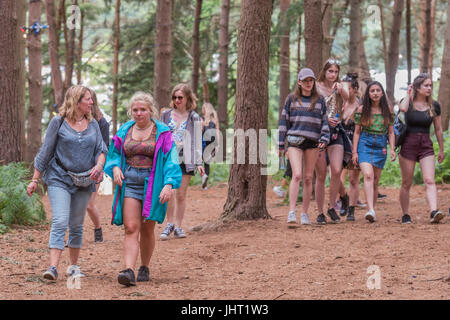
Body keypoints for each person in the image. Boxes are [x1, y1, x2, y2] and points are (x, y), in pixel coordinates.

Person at [27, 85, 107, 280]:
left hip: (85, 179)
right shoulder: (58, 122)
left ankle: (73, 266)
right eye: (87, 99)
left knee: (77, 224)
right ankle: (52, 267)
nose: (91, 102)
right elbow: (45, 151)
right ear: (76, 101)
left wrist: (99, 165)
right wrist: (35, 179)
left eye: (91, 99)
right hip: (59, 177)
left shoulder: (93, 124)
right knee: (60, 220)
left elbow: (101, 149)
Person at [104, 92, 182, 287]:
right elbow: (113, 153)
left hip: (153, 183)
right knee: (131, 228)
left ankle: (144, 266)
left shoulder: (162, 133)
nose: (138, 113)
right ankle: (128, 270)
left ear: (150, 111)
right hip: (129, 181)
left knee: (147, 229)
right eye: (135, 110)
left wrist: (169, 184)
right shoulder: (124, 130)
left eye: (143, 110)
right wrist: (114, 167)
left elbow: (171, 160)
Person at [279, 68, 330, 226]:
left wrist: (324, 138)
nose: (309, 83)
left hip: (313, 141)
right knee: (297, 175)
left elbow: (325, 122)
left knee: (309, 178)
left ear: (314, 82)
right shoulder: (291, 99)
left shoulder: (320, 100)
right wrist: (281, 144)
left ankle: (305, 213)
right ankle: (292, 211)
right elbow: (283, 122)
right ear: (299, 82)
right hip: (294, 140)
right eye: (305, 80)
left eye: (311, 80)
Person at [398, 73, 445, 224]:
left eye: (430, 85)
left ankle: (434, 211)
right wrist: (408, 93)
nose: (429, 88)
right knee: (407, 182)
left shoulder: (434, 105)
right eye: (426, 85)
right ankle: (405, 214)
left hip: (426, 145)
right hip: (408, 144)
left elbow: (438, 129)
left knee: (429, 180)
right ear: (417, 87)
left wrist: (441, 149)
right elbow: (403, 109)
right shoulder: (408, 103)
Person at [160, 83, 205, 240]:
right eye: (174, 97)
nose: (177, 100)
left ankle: (178, 226)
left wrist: (199, 162)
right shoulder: (165, 115)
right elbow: (160, 136)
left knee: (181, 194)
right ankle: (169, 224)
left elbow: (198, 141)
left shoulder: (194, 117)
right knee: (170, 192)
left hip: (187, 158)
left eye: (180, 97)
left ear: (187, 98)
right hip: (169, 158)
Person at [352, 81, 396, 223]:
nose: (375, 93)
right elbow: (357, 132)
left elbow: (391, 132)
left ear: (382, 93)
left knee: (376, 181)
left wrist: (393, 149)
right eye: (372, 91)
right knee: (368, 175)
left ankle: (372, 210)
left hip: (381, 145)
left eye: (378, 90)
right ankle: (370, 209)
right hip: (365, 143)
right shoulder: (361, 109)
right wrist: (354, 152)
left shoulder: (388, 109)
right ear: (368, 94)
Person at [315, 58, 350, 224]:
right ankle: (320, 212)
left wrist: (341, 89)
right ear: (325, 71)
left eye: (336, 72)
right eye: (330, 71)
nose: (333, 74)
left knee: (336, 170)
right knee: (321, 175)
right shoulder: (316, 86)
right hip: (319, 133)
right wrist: (324, 120)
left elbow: (349, 99)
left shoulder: (340, 86)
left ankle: (331, 207)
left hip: (336, 132)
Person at [86, 89, 110, 243]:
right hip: (76, 168)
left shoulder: (102, 123)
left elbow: (104, 148)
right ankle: (74, 234)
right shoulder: (75, 121)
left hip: (95, 168)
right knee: (74, 203)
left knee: (88, 204)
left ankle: (98, 228)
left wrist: (99, 167)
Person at [339, 73, 361, 221]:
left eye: (347, 88)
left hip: (355, 145)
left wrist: (355, 151)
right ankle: (343, 198)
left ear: (355, 89)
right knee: (335, 175)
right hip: (339, 145)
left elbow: (360, 130)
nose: (344, 90)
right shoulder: (339, 104)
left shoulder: (360, 107)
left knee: (353, 180)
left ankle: (351, 209)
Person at [201, 102, 220, 190]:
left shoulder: (202, 120)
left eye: (203, 108)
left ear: (206, 109)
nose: (202, 110)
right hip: (212, 143)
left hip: (204, 142)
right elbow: (217, 133)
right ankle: (205, 181)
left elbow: (200, 132)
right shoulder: (215, 120)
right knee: (207, 163)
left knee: (200, 160)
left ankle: (203, 176)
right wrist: (217, 145)